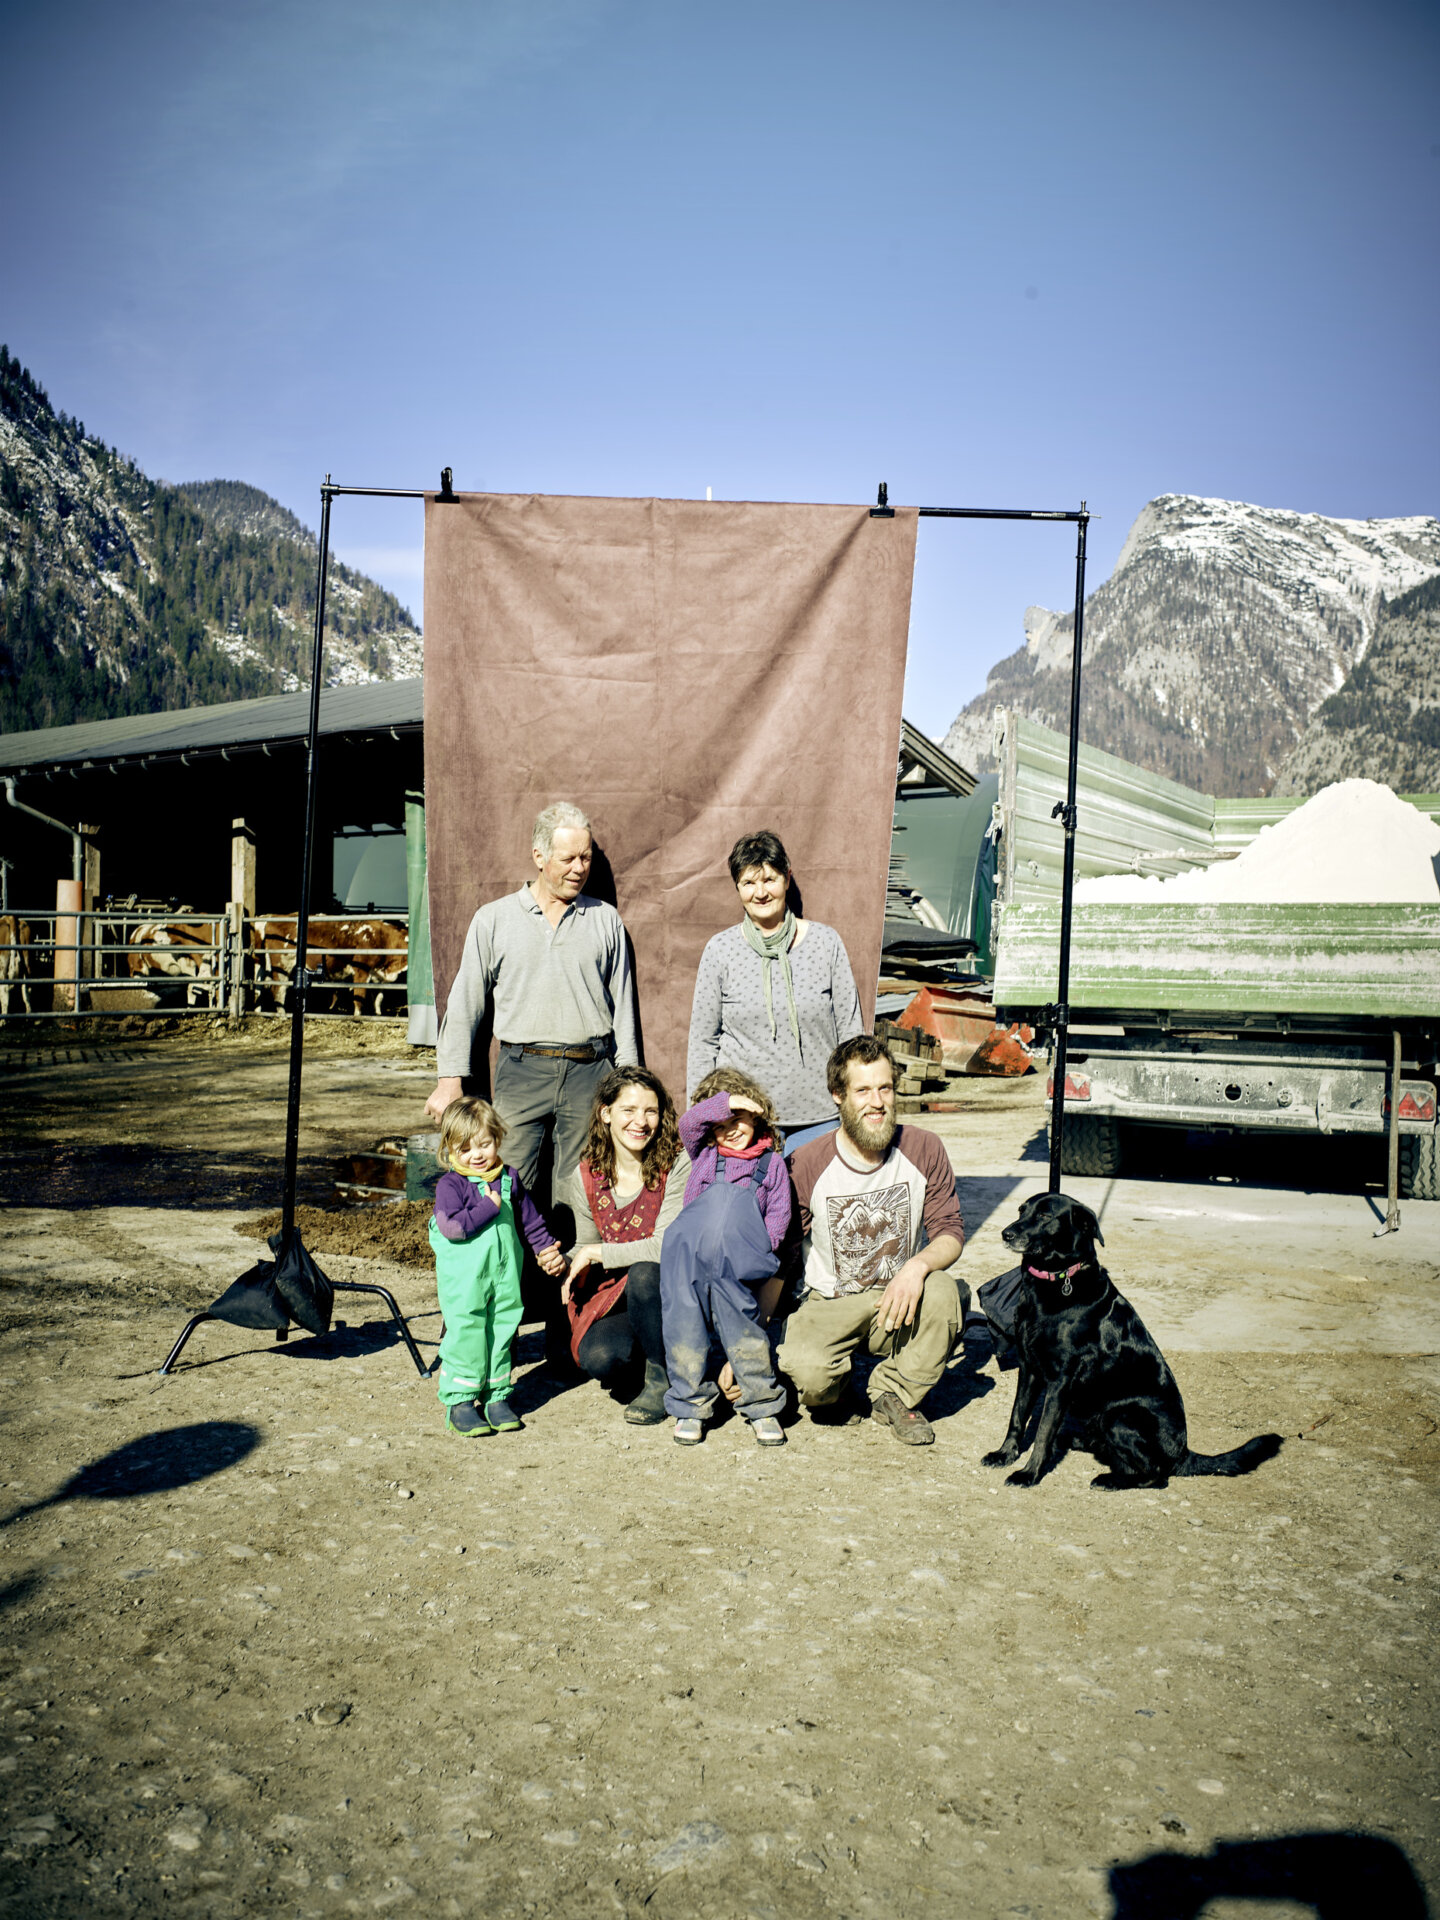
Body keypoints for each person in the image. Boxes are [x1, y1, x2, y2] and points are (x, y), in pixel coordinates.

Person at [426, 802, 639, 1200]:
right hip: (521, 1072)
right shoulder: (494, 919)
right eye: (568, 858)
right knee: (504, 1185)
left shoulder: (605, 920)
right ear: (539, 857)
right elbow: (465, 1003)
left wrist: (630, 1083)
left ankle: (575, 1263)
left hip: (589, 1073)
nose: (579, 868)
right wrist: (449, 1080)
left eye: (586, 857)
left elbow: (624, 1008)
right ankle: (512, 1265)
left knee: (581, 1192)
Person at [777, 1034, 967, 1446]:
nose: (877, 1102)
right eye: (862, 1090)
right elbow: (783, 1254)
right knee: (808, 1373)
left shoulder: (924, 1148)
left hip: (899, 1300)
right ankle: (839, 1389)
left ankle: (892, 1393)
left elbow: (950, 1231)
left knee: (945, 1292)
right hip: (829, 1303)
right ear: (838, 1096)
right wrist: (751, 1340)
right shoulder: (807, 1163)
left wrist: (916, 1267)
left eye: (885, 1088)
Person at [687, 829, 863, 1146]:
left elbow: (850, 1033)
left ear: (787, 877)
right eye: (749, 883)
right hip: (743, 1123)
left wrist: (854, 1104)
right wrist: (704, 1114)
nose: (761, 892)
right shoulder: (720, 951)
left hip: (820, 1118)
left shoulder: (826, 943)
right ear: (737, 888)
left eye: (769, 879)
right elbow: (703, 1042)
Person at [661, 1069, 792, 1447]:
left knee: (745, 1332)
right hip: (688, 1258)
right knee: (683, 1329)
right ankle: (690, 1406)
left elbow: (778, 1218)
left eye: (738, 1120)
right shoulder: (704, 1154)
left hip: (738, 1264)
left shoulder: (772, 1165)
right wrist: (729, 1103)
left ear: (757, 1115)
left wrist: (756, 1253)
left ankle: (763, 1406)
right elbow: (689, 1122)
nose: (730, 1129)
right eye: (720, 1124)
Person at [429, 1096, 566, 1437]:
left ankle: (496, 1396)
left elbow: (531, 1221)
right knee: (467, 1332)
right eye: (464, 1149)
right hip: (465, 1281)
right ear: (449, 1149)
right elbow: (453, 1228)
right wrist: (488, 1208)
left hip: (505, 1276)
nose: (476, 1155)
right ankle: (460, 1401)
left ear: (497, 1140)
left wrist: (545, 1249)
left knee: (503, 1330)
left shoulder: (509, 1179)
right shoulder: (451, 1186)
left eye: (484, 1145)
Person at [558, 1066, 688, 1424]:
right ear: (606, 1113)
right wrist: (560, 1259)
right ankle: (649, 1359)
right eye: (628, 1110)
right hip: (615, 1292)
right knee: (600, 1359)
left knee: (646, 1272)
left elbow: (666, 1246)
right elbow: (584, 1246)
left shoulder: (677, 1164)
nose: (640, 1122)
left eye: (650, 1111)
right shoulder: (586, 1175)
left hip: (668, 1289)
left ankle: (662, 1377)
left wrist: (597, 1253)